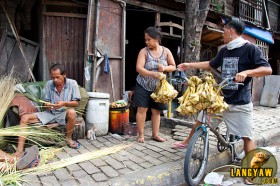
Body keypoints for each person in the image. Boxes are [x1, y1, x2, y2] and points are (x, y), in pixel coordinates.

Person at [173, 17, 272, 156]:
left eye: (224, 30)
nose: (222, 33)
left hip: (240, 103)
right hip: (221, 101)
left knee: (247, 138)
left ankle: (252, 170)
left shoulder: (250, 48)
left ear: (231, 31)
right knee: (200, 120)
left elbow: (267, 69)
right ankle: (187, 142)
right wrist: (189, 65)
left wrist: (246, 72)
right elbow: (210, 64)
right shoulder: (224, 51)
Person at [14, 63, 81, 158]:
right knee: (25, 118)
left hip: (63, 113)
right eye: (53, 77)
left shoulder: (72, 83)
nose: (55, 80)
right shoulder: (50, 84)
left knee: (72, 112)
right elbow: (45, 102)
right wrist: (47, 105)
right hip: (50, 113)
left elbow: (76, 103)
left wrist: (64, 103)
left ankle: (68, 139)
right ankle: (19, 150)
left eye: (57, 77)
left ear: (64, 75)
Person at [134, 26, 176, 143]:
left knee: (156, 111)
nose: (147, 42)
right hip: (143, 85)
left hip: (159, 87)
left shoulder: (166, 51)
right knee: (142, 109)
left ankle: (155, 134)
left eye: (149, 39)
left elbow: (173, 66)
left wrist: (164, 68)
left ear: (157, 39)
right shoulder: (144, 51)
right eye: (145, 40)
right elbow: (139, 68)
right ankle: (141, 134)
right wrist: (152, 74)